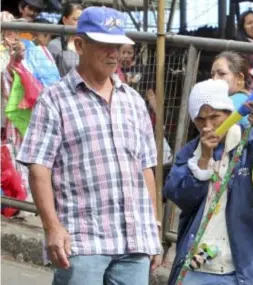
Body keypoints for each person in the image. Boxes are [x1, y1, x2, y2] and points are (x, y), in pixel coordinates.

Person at [16, 7, 162, 285]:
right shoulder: (55, 100)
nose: (113, 53)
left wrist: (153, 226)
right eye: (104, 45)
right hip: (82, 240)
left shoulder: (132, 101)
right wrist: (52, 228)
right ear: (80, 45)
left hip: (134, 240)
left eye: (117, 46)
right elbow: (39, 169)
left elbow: (146, 168)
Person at [163, 79, 253, 285]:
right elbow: (181, 197)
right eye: (200, 120)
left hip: (250, 268)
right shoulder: (191, 152)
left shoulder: (252, 143)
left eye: (215, 116)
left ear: (229, 112)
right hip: (201, 267)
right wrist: (204, 159)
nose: (208, 126)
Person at [47, 3, 83, 76]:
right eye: (76, 19)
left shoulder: (88, 45)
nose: (80, 24)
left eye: (82, 20)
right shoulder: (54, 46)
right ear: (65, 20)